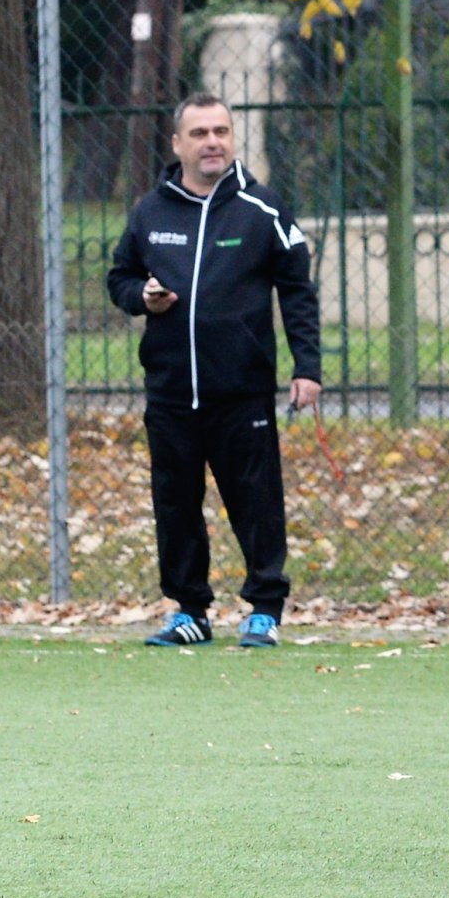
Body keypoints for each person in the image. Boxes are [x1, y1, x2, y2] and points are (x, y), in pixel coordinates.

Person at [107, 92, 322, 650]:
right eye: (200, 133)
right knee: (176, 503)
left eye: (221, 131)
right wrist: (141, 296)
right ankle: (189, 610)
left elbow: (297, 290)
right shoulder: (150, 213)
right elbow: (120, 277)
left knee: (256, 502)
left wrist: (308, 367)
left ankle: (265, 609)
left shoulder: (263, 209)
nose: (212, 142)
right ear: (177, 143)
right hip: (172, 393)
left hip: (242, 393)